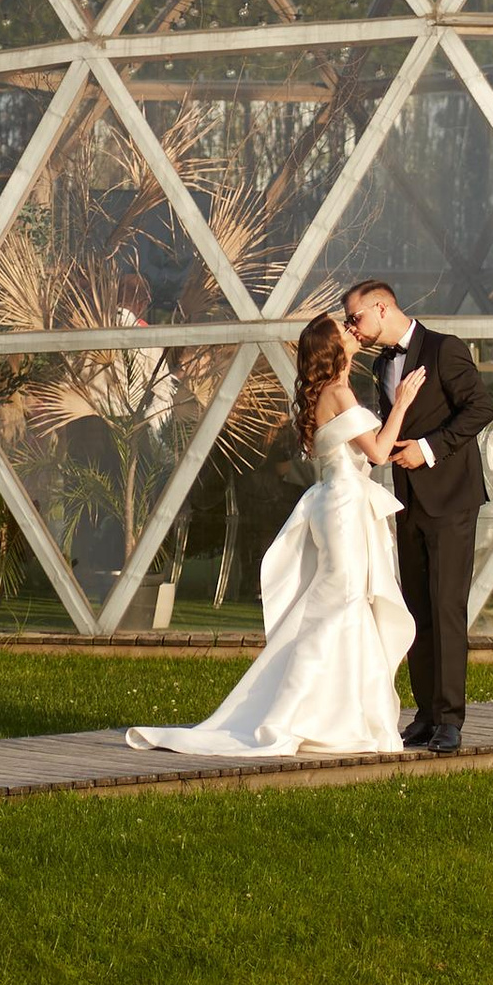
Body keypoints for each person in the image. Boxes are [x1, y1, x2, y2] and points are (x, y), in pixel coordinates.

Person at [126, 315, 423, 760]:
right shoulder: (338, 392)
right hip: (342, 506)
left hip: (334, 503)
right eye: (344, 330)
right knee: (341, 603)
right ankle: (291, 715)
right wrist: (401, 405)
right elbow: (378, 452)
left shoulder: (323, 394)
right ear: (334, 349)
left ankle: (344, 715)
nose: (351, 331)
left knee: (344, 606)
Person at [343, 276, 493, 755]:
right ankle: (426, 715)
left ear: (382, 308)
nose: (352, 327)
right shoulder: (378, 367)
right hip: (408, 503)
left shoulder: (445, 349)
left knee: (446, 608)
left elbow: (480, 409)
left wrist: (428, 450)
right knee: (418, 613)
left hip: (451, 499)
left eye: (356, 317)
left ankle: (451, 719)